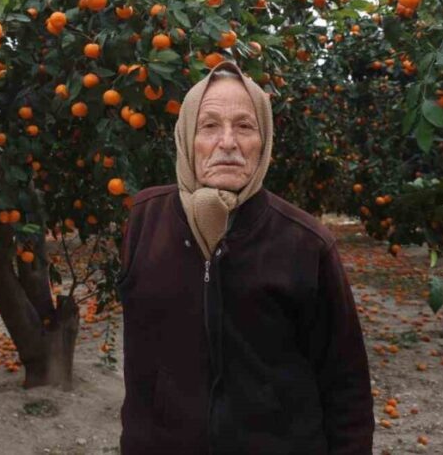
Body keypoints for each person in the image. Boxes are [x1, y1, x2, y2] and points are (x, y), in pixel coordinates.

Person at [117, 61, 374, 454]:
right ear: (187, 135)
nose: (228, 142)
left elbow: (345, 382)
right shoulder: (146, 219)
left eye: (244, 126)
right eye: (210, 126)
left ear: (264, 139)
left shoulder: (305, 243)